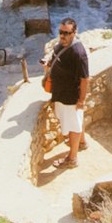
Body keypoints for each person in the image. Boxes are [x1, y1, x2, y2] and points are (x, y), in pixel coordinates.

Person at [40, 18, 90, 169]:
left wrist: (81, 100)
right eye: (61, 32)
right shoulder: (61, 44)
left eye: (67, 33)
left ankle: (72, 159)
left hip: (70, 97)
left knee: (73, 126)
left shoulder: (78, 53)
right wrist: (48, 64)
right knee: (76, 121)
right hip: (61, 93)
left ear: (74, 33)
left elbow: (85, 79)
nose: (63, 36)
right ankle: (82, 142)